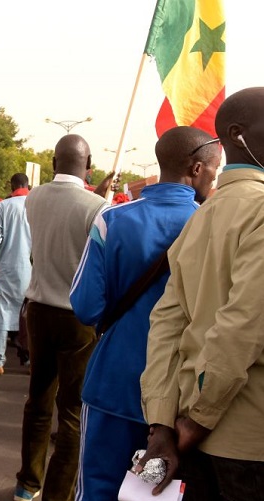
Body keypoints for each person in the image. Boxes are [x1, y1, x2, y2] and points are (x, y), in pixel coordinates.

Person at [70, 126, 220, 500]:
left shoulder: (114, 220)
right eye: (215, 171)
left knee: (97, 489)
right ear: (197, 169)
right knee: (158, 493)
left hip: (115, 382)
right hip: (183, 398)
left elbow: (85, 306)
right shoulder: (215, 226)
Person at [139, 87, 264, 500]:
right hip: (244, 439)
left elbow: (166, 324)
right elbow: (240, 330)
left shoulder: (202, 214)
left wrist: (162, 426)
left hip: (193, 434)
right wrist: (195, 423)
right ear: (237, 133)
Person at [14, 135, 107, 501]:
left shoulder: (33, 197)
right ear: (90, 164)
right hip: (77, 317)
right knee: (71, 412)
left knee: (38, 401)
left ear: (53, 162)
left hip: (38, 309)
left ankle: (28, 483)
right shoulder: (97, 206)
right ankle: (58, 493)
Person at [0, 173, 32, 375]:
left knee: (3, 314)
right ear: (27, 185)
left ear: (11, 185)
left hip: (6, 267)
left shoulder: (3, 206)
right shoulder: (37, 205)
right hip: (32, 268)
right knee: (30, 315)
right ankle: (31, 360)